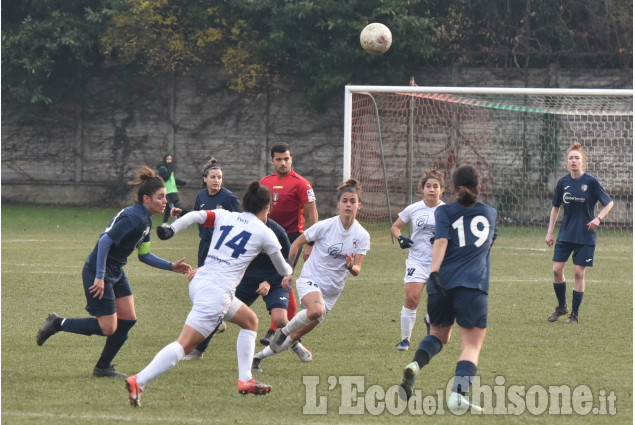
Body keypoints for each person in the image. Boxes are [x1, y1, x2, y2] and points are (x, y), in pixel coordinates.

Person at [125, 181, 294, 407]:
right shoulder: (266, 233)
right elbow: (283, 269)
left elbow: (196, 215)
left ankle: (245, 380)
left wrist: (172, 229)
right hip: (216, 293)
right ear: (267, 208)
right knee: (184, 345)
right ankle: (139, 380)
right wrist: (290, 270)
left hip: (200, 280)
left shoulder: (225, 215)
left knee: (250, 321)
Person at [36, 166, 192, 377]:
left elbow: (144, 255)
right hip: (98, 271)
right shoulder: (134, 218)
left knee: (128, 320)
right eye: (161, 197)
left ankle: (103, 368)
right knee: (108, 327)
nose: (165, 201)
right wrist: (100, 276)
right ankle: (57, 323)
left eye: (165, 197)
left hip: (116, 271)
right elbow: (105, 240)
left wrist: (170, 266)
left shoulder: (145, 219)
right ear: (147, 199)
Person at [399, 165, 497, 413]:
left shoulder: (444, 211)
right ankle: (458, 395)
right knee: (470, 346)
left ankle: (415, 366)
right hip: (473, 287)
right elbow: (487, 246)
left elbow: (441, 241)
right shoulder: (490, 213)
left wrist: (433, 272)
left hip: (440, 284)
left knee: (438, 336)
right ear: (480, 187)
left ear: (451, 189)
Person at [252, 179, 370, 371]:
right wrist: (289, 272)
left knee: (294, 336)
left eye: (353, 201)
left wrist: (349, 266)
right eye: (345, 201)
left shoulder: (362, 235)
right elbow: (296, 243)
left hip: (332, 292)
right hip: (311, 279)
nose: (349, 205)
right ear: (338, 204)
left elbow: (357, 269)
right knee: (315, 310)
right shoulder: (325, 226)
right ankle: (283, 331)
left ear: (359, 205)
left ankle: (257, 358)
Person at [259, 142, 318, 356]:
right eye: (278, 159)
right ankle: (286, 332)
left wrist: (310, 242)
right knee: (273, 279)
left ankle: (275, 329)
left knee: (284, 278)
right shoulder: (265, 182)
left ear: (291, 159)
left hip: (292, 239)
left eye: (286, 159)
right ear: (272, 161)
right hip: (267, 237)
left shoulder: (302, 184)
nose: (283, 163)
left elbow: (313, 214)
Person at [545, 142, 613, 324]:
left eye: (577, 158)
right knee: (557, 270)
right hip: (566, 234)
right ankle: (562, 307)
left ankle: (574, 315)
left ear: (583, 162)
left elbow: (609, 202)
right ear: (566, 162)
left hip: (585, 236)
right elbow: (555, 207)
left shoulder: (591, 182)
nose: (573, 161)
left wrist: (598, 218)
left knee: (578, 273)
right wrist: (550, 232)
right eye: (570, 158)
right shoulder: (563, 183)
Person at [392, 170, 445, 351]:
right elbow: (395, 227)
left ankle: (431, 322)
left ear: (442, 190)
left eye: (435, 187)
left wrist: (443, 237)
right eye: (428, 186)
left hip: (439, 263)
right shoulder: (413, 209)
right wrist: (400, 239)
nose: (432, 190)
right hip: (417, 261)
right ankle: (405, 339)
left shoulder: (446, 211)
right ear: (422, 190)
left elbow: (456, 233)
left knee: (437, 302)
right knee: (412, 298)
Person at [157, 153, 188, 223]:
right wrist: (170, 169)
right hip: (167, 191)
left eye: (170, 159)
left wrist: (181, 182)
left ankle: (164, 223)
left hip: (172, 191)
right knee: (172, 207)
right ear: (164, 160)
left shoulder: (169, 169)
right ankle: (176, 222)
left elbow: (172, 180)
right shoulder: (162, 169)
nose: (169, 161)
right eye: (167, 159)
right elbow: (165, 178)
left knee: (169, 208)